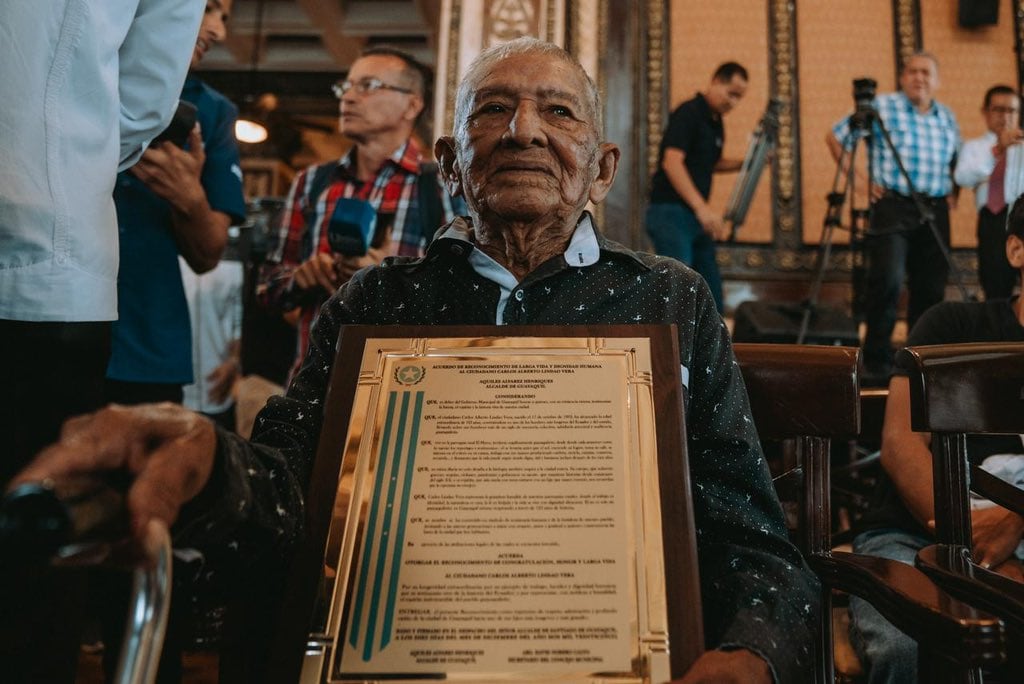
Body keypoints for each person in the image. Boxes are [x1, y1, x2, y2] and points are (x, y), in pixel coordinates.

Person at [11, 38, 819, 683]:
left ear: (602, 169)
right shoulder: (376, 304)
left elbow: (755, 543)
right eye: (493, 110)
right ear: (450, 162)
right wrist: (210, 459)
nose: (524, 131)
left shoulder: (669, 302)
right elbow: (290, 496)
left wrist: (750, 655)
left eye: (559, 112)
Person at [0, 3, 204, 682]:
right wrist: (60, 152)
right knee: (30, 572)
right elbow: (144, 101)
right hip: (44, 251)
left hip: (48, 263)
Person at [847, 195, 1024, 683]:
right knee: (904, 644)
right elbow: (901, 444)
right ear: (1015, 251)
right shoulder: (952, 325)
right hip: (910, 532)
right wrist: (967, 529)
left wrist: (1015, 520)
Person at [258, 46, 462, 383]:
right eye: (346, 87)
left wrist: (393, 277)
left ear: (412, 104)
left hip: (406, 383)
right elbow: (268, 289)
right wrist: (301, 278)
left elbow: (465, 293)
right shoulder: (311, 183)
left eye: (367, 86)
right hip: (312, 384)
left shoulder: (442, 183)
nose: (348, 98)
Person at [106, 0, 247, 408]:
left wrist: (189, 197)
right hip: (46, 319)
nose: (218, 31)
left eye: (224, 18)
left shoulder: (215, 113)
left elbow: (209, 253)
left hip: (149, 348)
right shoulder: (78, 78)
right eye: (209, 9)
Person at [827, 52, 961, 383]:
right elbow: (836, 136)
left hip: (933, 209)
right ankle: (876, 364)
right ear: (902, 78)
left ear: (937, 81)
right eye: (913, 72)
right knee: (886, 281)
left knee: (930, 288)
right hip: (892, 205)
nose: (920, 78)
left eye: (927, 73)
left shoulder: (947, 117)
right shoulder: (883, 107)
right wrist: (859, 181)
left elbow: (957, 160)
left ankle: (919, 362)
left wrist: (953, 192)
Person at [645, 62, 749, 313]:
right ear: (715, 81)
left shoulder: (716, 123)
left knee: (711, 291)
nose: (733, 103)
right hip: (670, 211)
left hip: (695, 216)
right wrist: (702, 209)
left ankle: (710, 348)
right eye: (731, 93)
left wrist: (747, 162)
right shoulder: (689, 112)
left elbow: (709, 163)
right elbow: (672, 162)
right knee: (679, 290)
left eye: (739, 98)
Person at [954, 84, 1024, 300]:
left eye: (1011, 111)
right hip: (992, 221)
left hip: (1022, 217)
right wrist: (997, 151)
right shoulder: (974, 147)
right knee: (995, 284)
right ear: (985, 112)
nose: (1005, 116)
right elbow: (962, 177)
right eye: (998, 110)